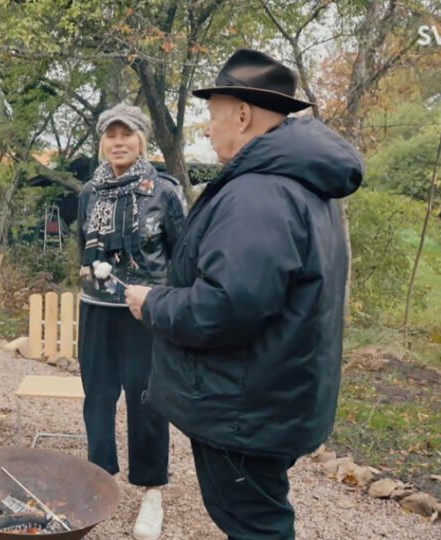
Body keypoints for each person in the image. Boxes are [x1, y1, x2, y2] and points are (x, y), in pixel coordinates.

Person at [125, 49, 364, 539]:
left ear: (242, 114)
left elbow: (225, 308)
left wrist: (152, 303)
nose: (207, 130)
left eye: (212, 116)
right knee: (257, 516)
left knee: (255, 525)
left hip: (243, 410)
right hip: (269, 399)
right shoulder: (301, 185)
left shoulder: (260, 193)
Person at [75, 104, 185, 540]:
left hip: (145, 310)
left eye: (127, 134)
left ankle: (152, 491)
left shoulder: (163, 190)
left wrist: (169, 305)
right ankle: (97, 478)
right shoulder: (90, 192)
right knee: (97, 396)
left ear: (142, 140)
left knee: (146, 400)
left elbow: (182, 254)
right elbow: (83, 241)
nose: (118, 141)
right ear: (101, 142)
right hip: (96, 308)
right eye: (110, 135)